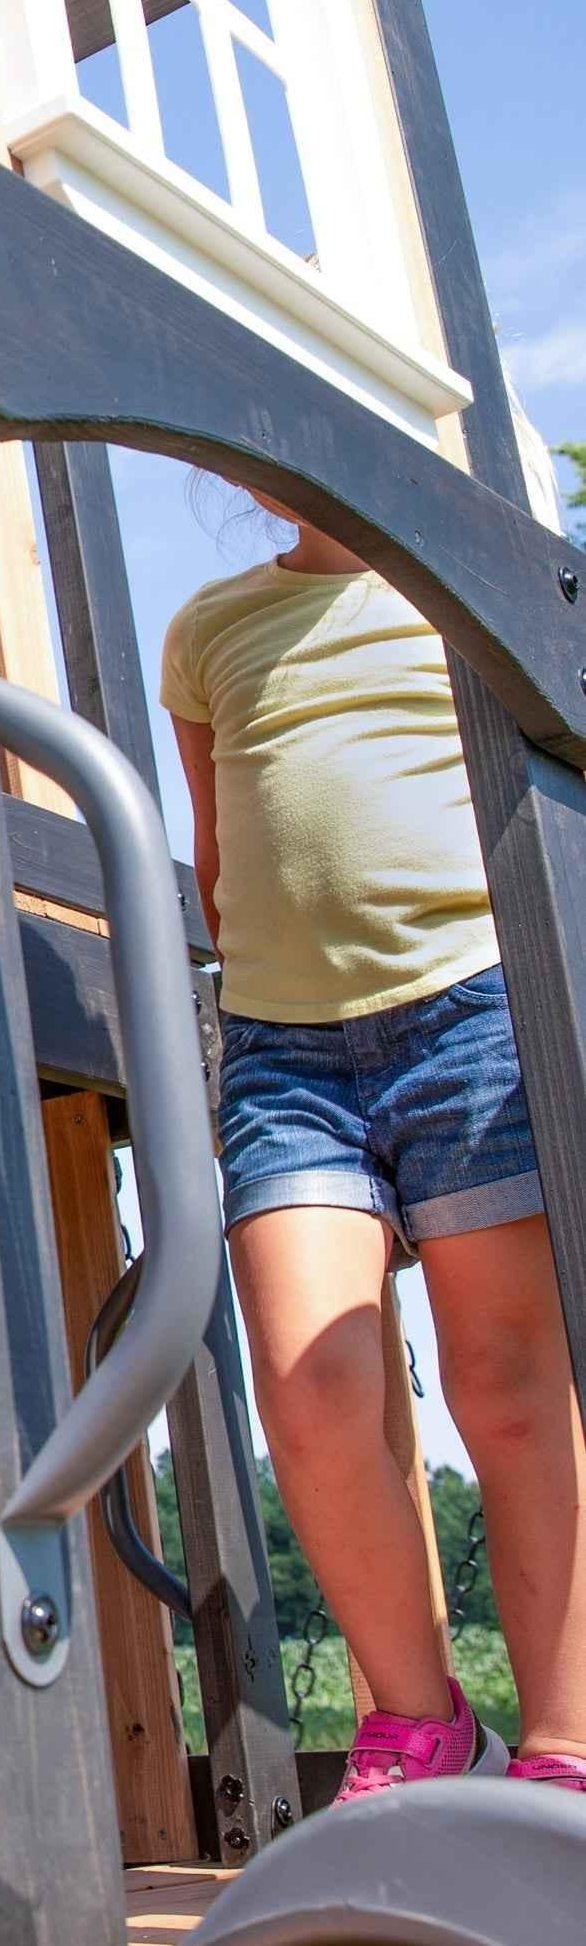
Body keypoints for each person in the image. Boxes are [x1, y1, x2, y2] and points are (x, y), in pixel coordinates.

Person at [163, 483, 586, 1797]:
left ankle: (566, 1747)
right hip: (291, 1048)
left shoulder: (465, 593)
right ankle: (421, 1721)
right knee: (308, 1380)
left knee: (510, 1388)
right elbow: (222, 859)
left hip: (473, 1012)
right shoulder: (211, 628)